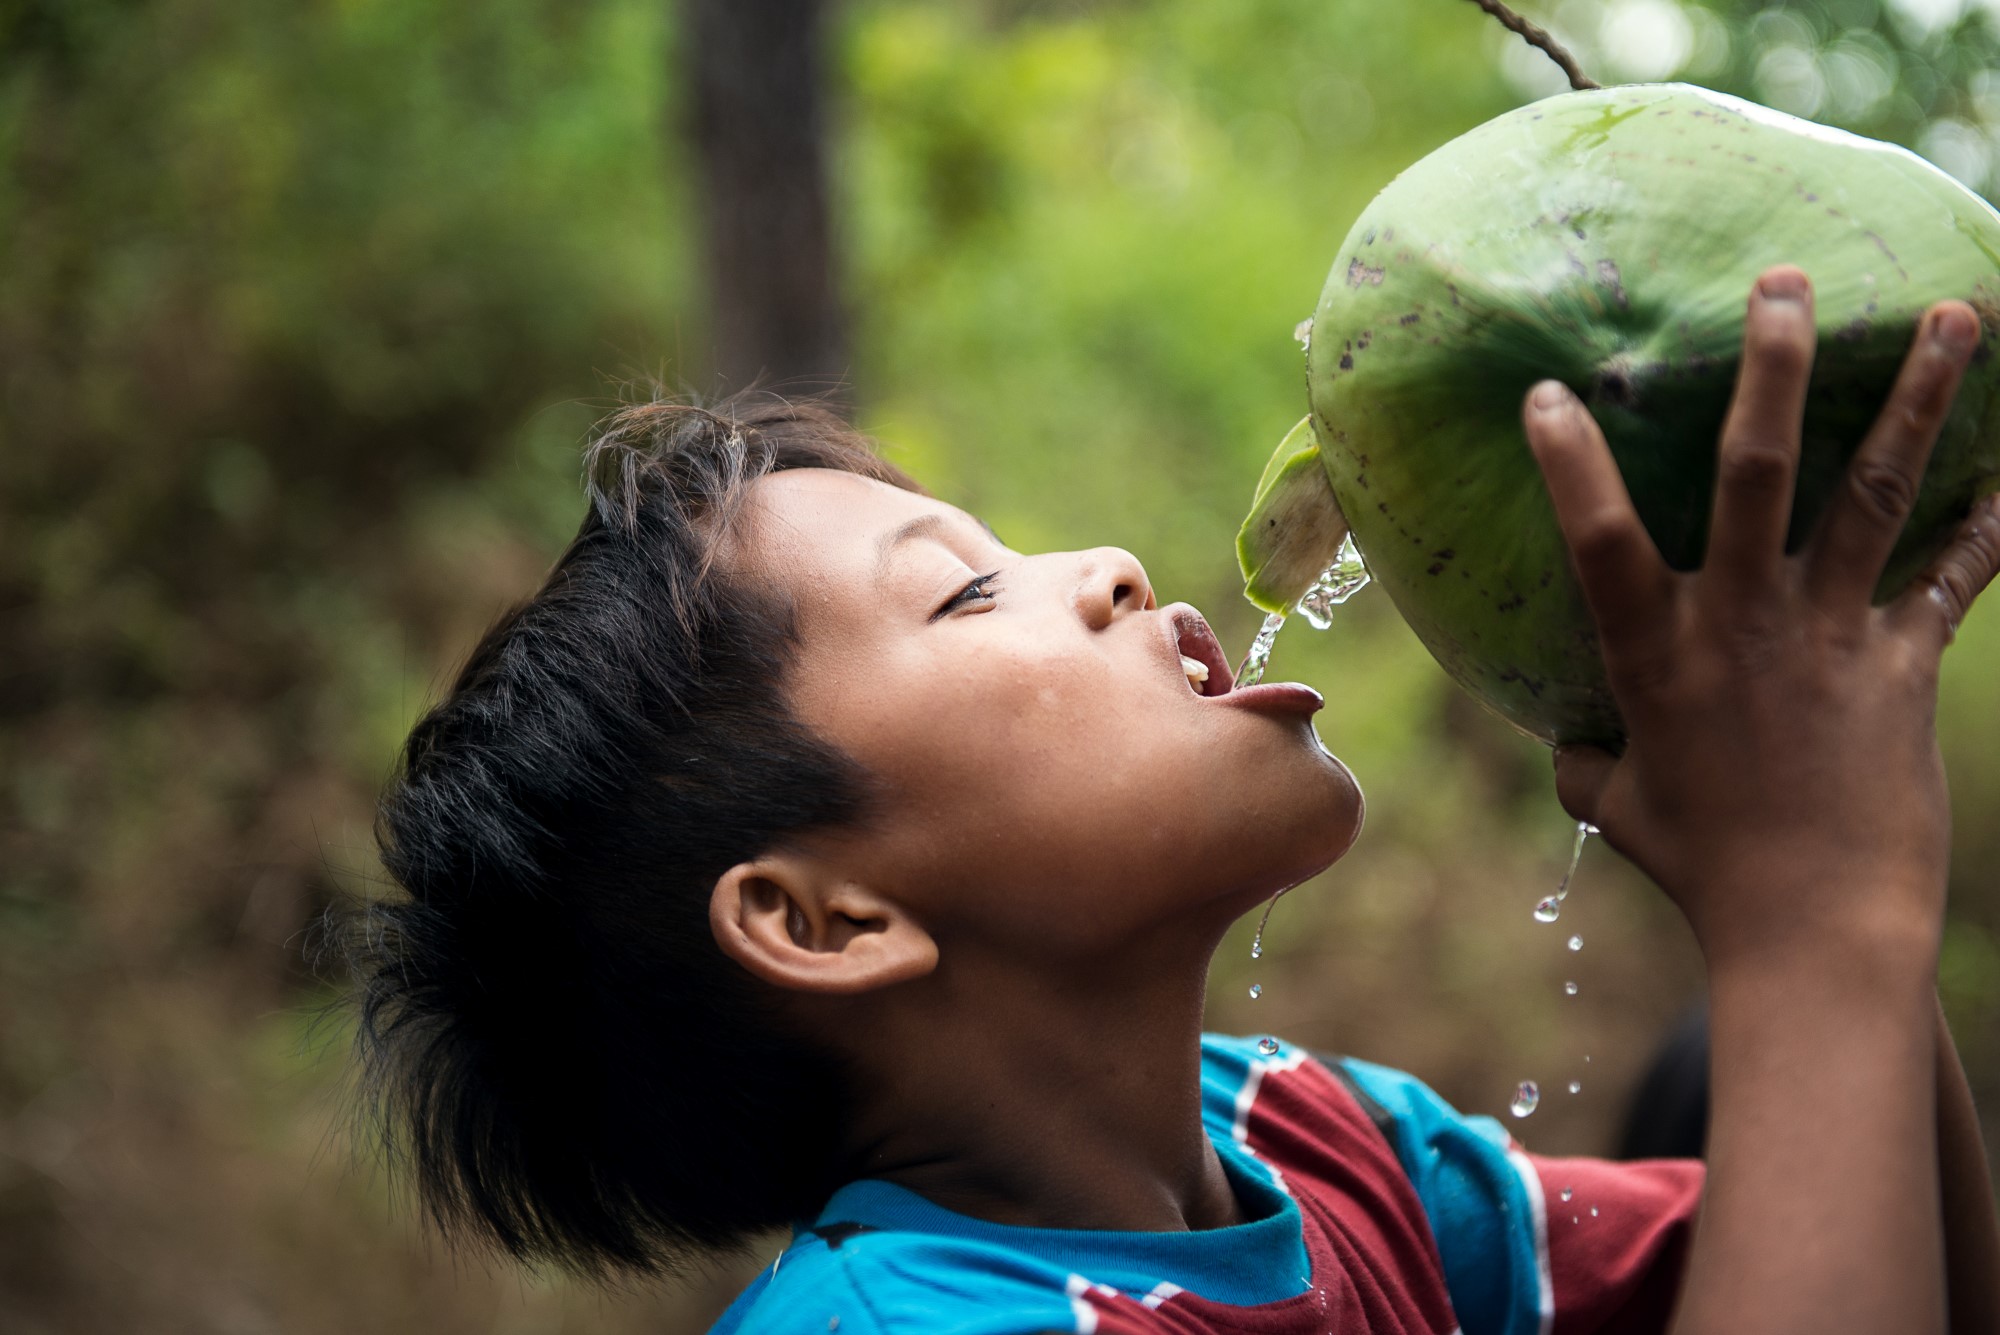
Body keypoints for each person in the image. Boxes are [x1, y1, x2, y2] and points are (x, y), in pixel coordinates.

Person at [339, 266, 2000, 1334]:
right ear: (826, 918)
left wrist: (1823, 846)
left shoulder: (1303, 1138)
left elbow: (1887, 1261)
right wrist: (1814, 908)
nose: (1111, 566)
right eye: (964, 596)